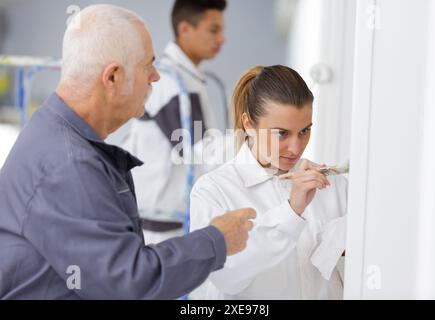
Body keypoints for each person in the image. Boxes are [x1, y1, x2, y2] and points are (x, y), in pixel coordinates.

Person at [0, 4, 255, 300]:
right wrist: (217, 240)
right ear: (113, 78)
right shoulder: (69, 166)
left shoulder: (56, 135)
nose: (156, 77)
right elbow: (128, 284)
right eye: (148, 66)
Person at [190, 65, 347, 300]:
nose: (296, 147)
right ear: (249, 125)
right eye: (281, 133)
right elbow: (226, 276)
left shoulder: (332, 186)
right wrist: (292, 212)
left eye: (305, 130)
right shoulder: (213, 190)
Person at [121, 0, 227, 244]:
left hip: (170, 225)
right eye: (214, 30)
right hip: (158, 231)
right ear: (185, 29)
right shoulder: (170, 83)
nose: (222, 39)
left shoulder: (188, 80)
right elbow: (202, 153)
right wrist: (258, 149)